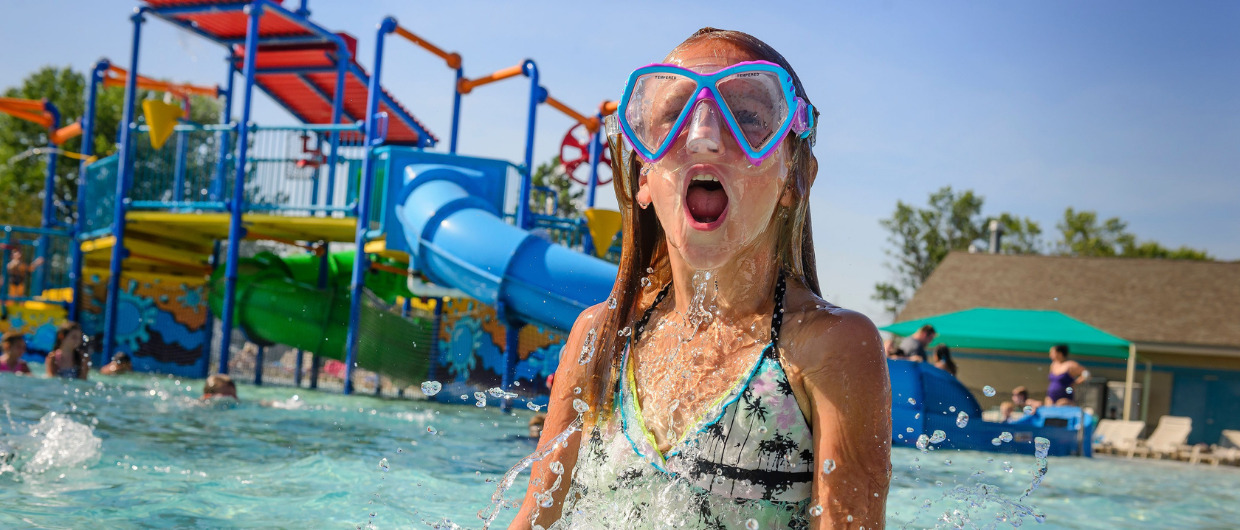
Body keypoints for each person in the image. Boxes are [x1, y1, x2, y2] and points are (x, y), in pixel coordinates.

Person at [515, 28, 890, 528]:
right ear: (644, 177)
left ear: (794, 178)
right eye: (673, 118)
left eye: (748, 118)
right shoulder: (600, 338)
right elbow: (532, 520)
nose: (704, 138)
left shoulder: (828, 347)